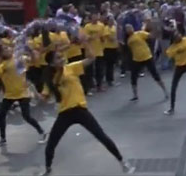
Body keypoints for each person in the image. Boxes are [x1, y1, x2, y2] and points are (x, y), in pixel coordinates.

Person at [41, 39, 135, 175]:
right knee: (51, 144)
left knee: (101, 136)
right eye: (58, 58)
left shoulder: (72, 68)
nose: (61, 59)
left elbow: (91, 58)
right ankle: (48, 169)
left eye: (61, 56)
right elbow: (44, 98)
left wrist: (85, 42)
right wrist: (35, 94)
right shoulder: (50, 79)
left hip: (80, 110)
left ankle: (122, 162)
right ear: (51, 63)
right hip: (65, 113)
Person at [0, 45, 47, 148]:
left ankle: (42, 132)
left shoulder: (20, 59)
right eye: (4, 49)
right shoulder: (2, 66)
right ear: (1, 54)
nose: (7, 49)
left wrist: (33, 52)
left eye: (7, 48)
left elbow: (34, 60)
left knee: (26, 116)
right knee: (1, 115)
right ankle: (3, 139)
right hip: (9, 95)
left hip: (23, 93)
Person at [125, 25, 169, 101]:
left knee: (155, 75)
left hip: (147, 57)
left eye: (130, 28)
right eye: (127, 29)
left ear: (133, 28)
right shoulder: (128, 40)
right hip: (137, 59)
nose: (129, 30)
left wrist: (156, 31)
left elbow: (150, 36)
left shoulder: (140, 33)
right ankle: (135, 95)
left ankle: (165, 91)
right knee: (133, 77)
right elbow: (130, 51)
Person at [103, 16, 120, 87]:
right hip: (108, 48)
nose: (112, 21)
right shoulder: (106, 28)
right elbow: (109, 37)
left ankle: (111, 79)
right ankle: (109, 80)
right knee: (109, 64)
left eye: (113, 20)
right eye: (110, 20)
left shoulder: (114, 27)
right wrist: (115, 39)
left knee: (112, 64)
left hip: (114, 47)